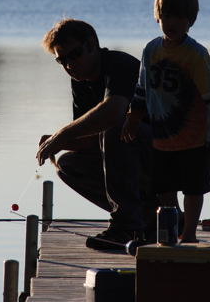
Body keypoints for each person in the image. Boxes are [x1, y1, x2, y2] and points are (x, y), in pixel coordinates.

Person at [36, 19, 155, 250]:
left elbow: (114, 112)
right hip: (129, 158)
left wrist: (62, 135)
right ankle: (148, 217)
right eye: (61, 60)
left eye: (74, 55)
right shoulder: (80, 80)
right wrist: (60, 142)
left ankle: (126, 226)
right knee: (68, 164)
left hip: (163, 154)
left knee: (116, 127)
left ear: (92, 44)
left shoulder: (119, 64)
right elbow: (92, 140)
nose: (69, 65)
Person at [122, 0, 210, 243]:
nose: (172, 22)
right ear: (158, 16)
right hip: (162, 137)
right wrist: (133, 118)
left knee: (194, 187)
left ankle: (189, 232)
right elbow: (141, 89)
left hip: (195, 137)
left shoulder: (196, 55)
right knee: (164, 188)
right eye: (166, 15)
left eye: (179, 17)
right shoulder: (151, 50)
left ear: (190, 20)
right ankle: (173, 226)